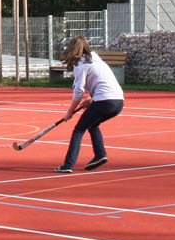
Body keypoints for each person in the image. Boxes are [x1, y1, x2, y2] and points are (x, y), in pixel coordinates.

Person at [53, 36, 123, 173]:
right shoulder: (95, 58)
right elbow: (102, 80)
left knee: (79, 130)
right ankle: (100, 155)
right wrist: (91, 98)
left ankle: (68, 165)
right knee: (92, 124)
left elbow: (78, 92)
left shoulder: (80, 65)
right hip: (118, 101)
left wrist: (69, 112)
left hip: (104, 101)